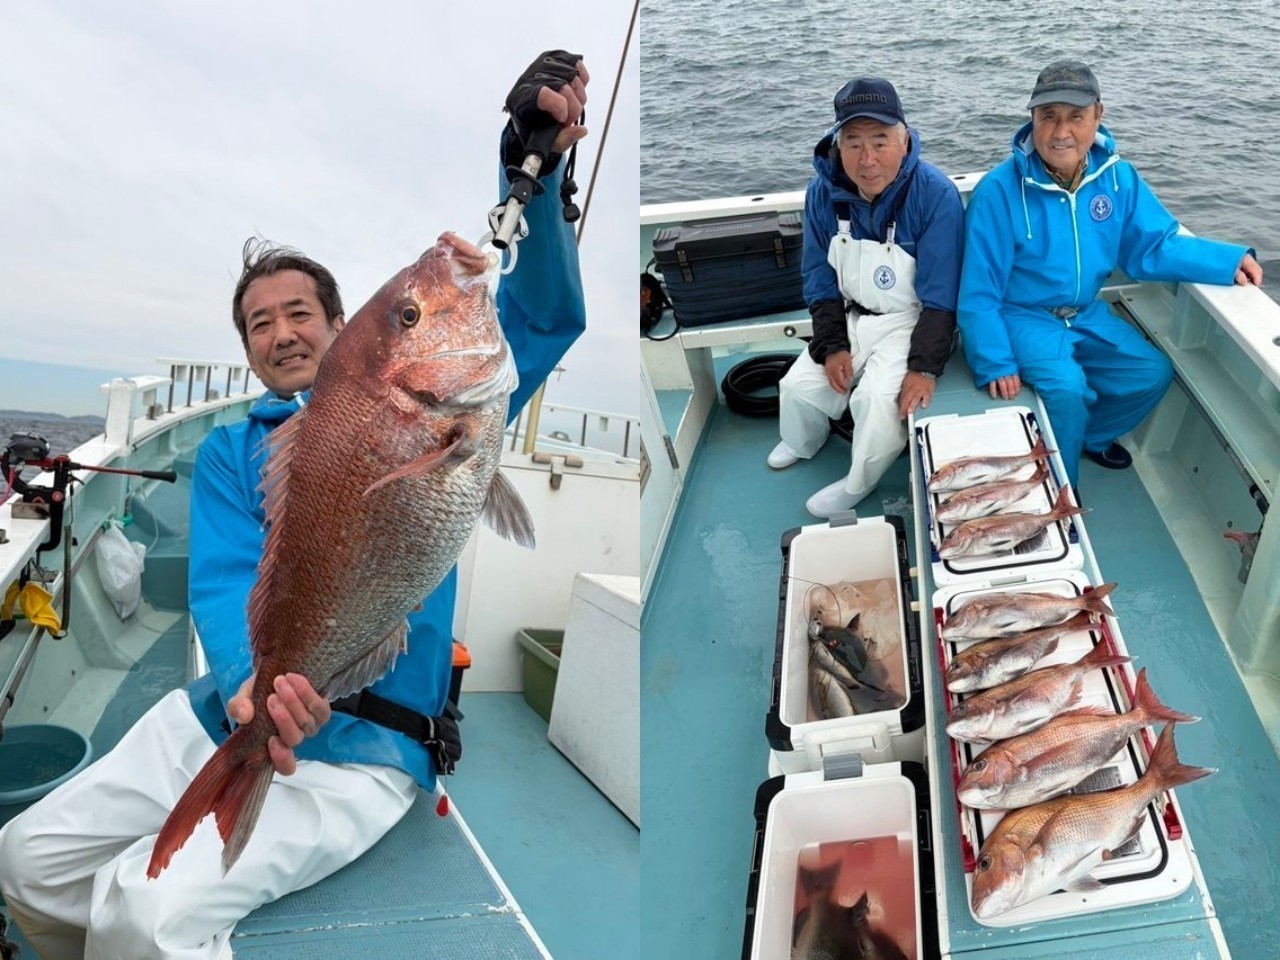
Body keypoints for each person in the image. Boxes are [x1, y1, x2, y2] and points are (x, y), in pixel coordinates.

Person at [0, 50, 590, 960]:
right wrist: (253, 695)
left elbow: (546, 316)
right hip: (230, 712)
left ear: (339, 323)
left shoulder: (447, 400)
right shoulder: (234, 452)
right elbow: (232, 583)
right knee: (24, 860)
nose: (281, 332)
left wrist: (533, 180)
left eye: (300, 312)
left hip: (370, 752)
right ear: (246, 348)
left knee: (143, 913)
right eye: (259, 323)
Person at [958, 59, 1262, 489]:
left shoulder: (1117, 177)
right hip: (1022, 315)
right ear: (1032, 120)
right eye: (1049, 117)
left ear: (1098, 116)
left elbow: (1154, 244)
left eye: (1075, 117)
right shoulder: (998, 191)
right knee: (1067, 390)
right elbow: (978, 292)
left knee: (1150, 373)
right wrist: (994, 360)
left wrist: (1226, 261)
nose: (1061, 132)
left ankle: (1089, 437)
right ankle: (1060, 494)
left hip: (1084, 312)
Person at [767, 77, 964, 518]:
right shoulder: (822, 193)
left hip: (912, 321)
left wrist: (923, 368)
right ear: (837, 145)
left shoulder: (936, 196)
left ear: (905, 139)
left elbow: (942, 296)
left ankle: (859, 482)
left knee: (877, 402)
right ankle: (803, 440)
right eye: (853, 143)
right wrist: (834, 344)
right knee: (797, 385)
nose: (868, 159)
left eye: (881, 141)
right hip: (854, 317)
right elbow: (818, 275)